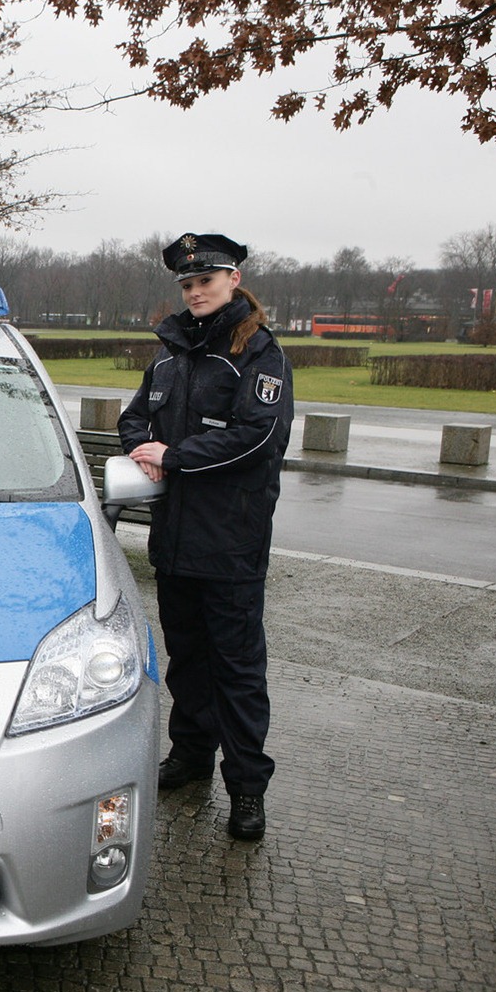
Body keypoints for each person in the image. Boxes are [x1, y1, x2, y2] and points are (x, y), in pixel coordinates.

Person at [117, 232, 294, 841]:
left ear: (233, 280)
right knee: (187, 658)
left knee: (238, 669)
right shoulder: (169, 354)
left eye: (206, 281)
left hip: (231, 541)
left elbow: (258, 437)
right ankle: (191, 758)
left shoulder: (258, 354)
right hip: (174, 541)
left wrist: (177, 455)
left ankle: (247, 786)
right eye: (187, 284)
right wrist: (144, 450)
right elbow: (133, 417)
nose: (195, 291)